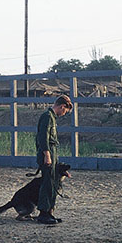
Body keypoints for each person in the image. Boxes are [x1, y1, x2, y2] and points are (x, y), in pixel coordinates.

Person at [35, 95, 73, 224]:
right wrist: (47, 154)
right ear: (62, 106)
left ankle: (49, 212)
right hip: (48, 152)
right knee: (47, 184)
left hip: (52, 152)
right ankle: (43, 213)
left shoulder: (51, 117)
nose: (63, 114)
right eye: (65, 111)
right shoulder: (47, 116)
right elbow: (43, 137)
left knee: (52, 183)